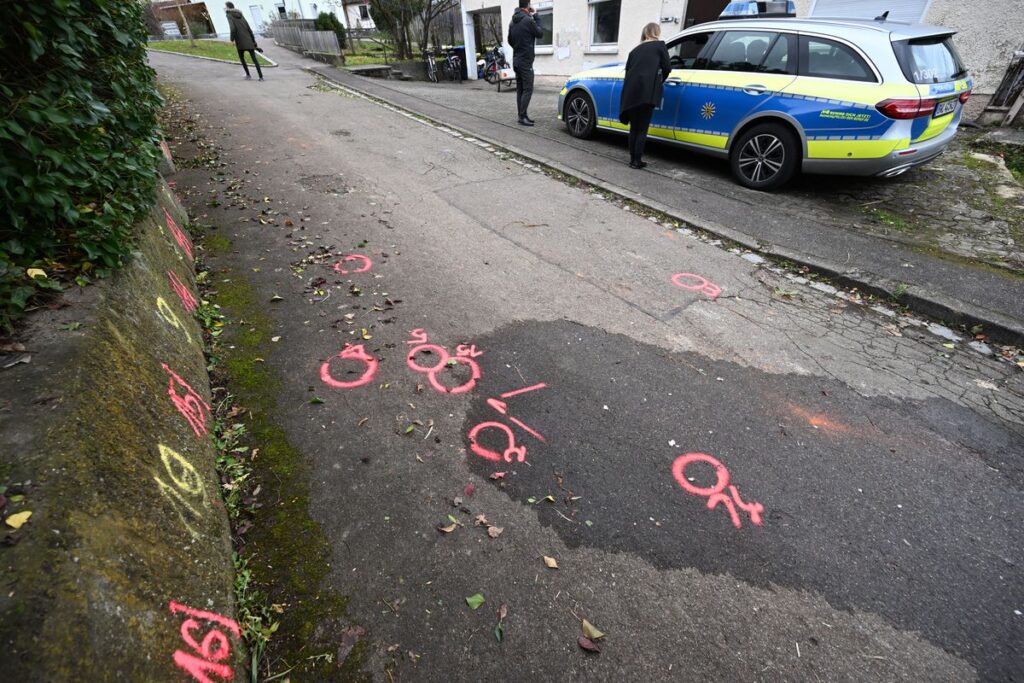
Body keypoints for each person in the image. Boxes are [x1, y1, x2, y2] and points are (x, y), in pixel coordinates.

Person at [619, 23, 671, 169]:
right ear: (656, 32)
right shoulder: (660, 46)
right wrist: (659, 81)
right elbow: (667, 68)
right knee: (642, 128)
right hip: (647, 93)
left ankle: (632, 159)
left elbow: (627, 73)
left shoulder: (634, 51)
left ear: (645, 33)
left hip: (631, 93)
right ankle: (637, 161)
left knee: (634, 128)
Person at [507, 0, 543, 126]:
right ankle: (522, 117)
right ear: (528, 5)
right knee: (528, 89)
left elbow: (510, 40)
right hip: (525, 62)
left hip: (516, 60)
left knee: (520, 90)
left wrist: (519, 48)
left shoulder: (512, 22)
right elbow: (540, 33)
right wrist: (536, 16)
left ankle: (522, 115)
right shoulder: (528, 20)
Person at [226, 2, 263, 81]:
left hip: (239, 41)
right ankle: (261, 77)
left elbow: (233, 28)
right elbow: (249, 28)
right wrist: (253, 41)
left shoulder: (229, 15)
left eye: (225, 7)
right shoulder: (241, 14)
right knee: (254, 59)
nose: (224, 8)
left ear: (228, 7)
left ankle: (248, 75)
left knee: (242, 58)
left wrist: (231, 39)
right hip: (248, 40)